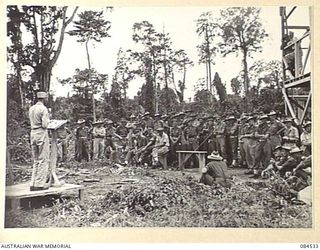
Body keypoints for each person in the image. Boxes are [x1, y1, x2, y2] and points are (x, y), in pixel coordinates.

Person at [29, 91, 50, 191]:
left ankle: (33, 183)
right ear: (44, 99)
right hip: (41, 133)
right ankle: (39, 184)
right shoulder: (43, 109)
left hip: (33, 133)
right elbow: (45, 125)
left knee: (36, 159)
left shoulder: (31, 108)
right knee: (43, 158)